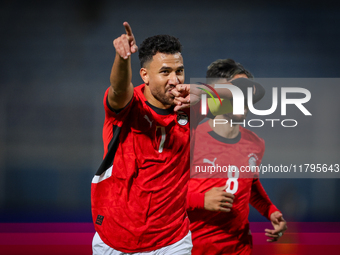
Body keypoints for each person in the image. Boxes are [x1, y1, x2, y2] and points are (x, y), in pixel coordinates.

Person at [91, 22, 196, 255]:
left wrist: (202, 95)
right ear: (145, 75)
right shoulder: (129, 107)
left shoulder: (191, 106)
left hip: (172, 241)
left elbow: (250, 98)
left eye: (179, 71)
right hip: (115, 239)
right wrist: (122, 57)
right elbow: (118, 89)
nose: (175, 79)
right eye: (165, 72)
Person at [187, 59, 287, 255]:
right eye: (238, 92)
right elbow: (162, 195)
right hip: (194, 248)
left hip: (239, 248)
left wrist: (271, 210)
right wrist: (200, 200)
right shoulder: (190, 138)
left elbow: (250, 182)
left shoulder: (255, 143)